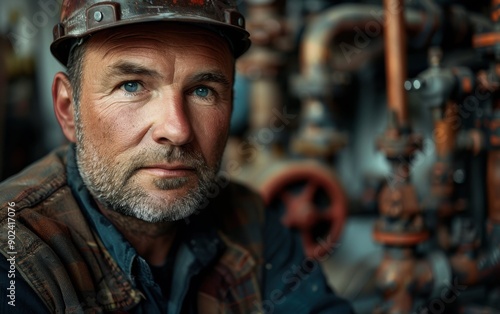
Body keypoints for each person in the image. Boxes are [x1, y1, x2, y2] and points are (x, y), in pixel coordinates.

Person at [0, 1, 354, 313]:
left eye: (203, 90)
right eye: (132, 85)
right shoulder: (16, 252)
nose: (177, 129)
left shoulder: (250, 222)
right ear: (68, 109)